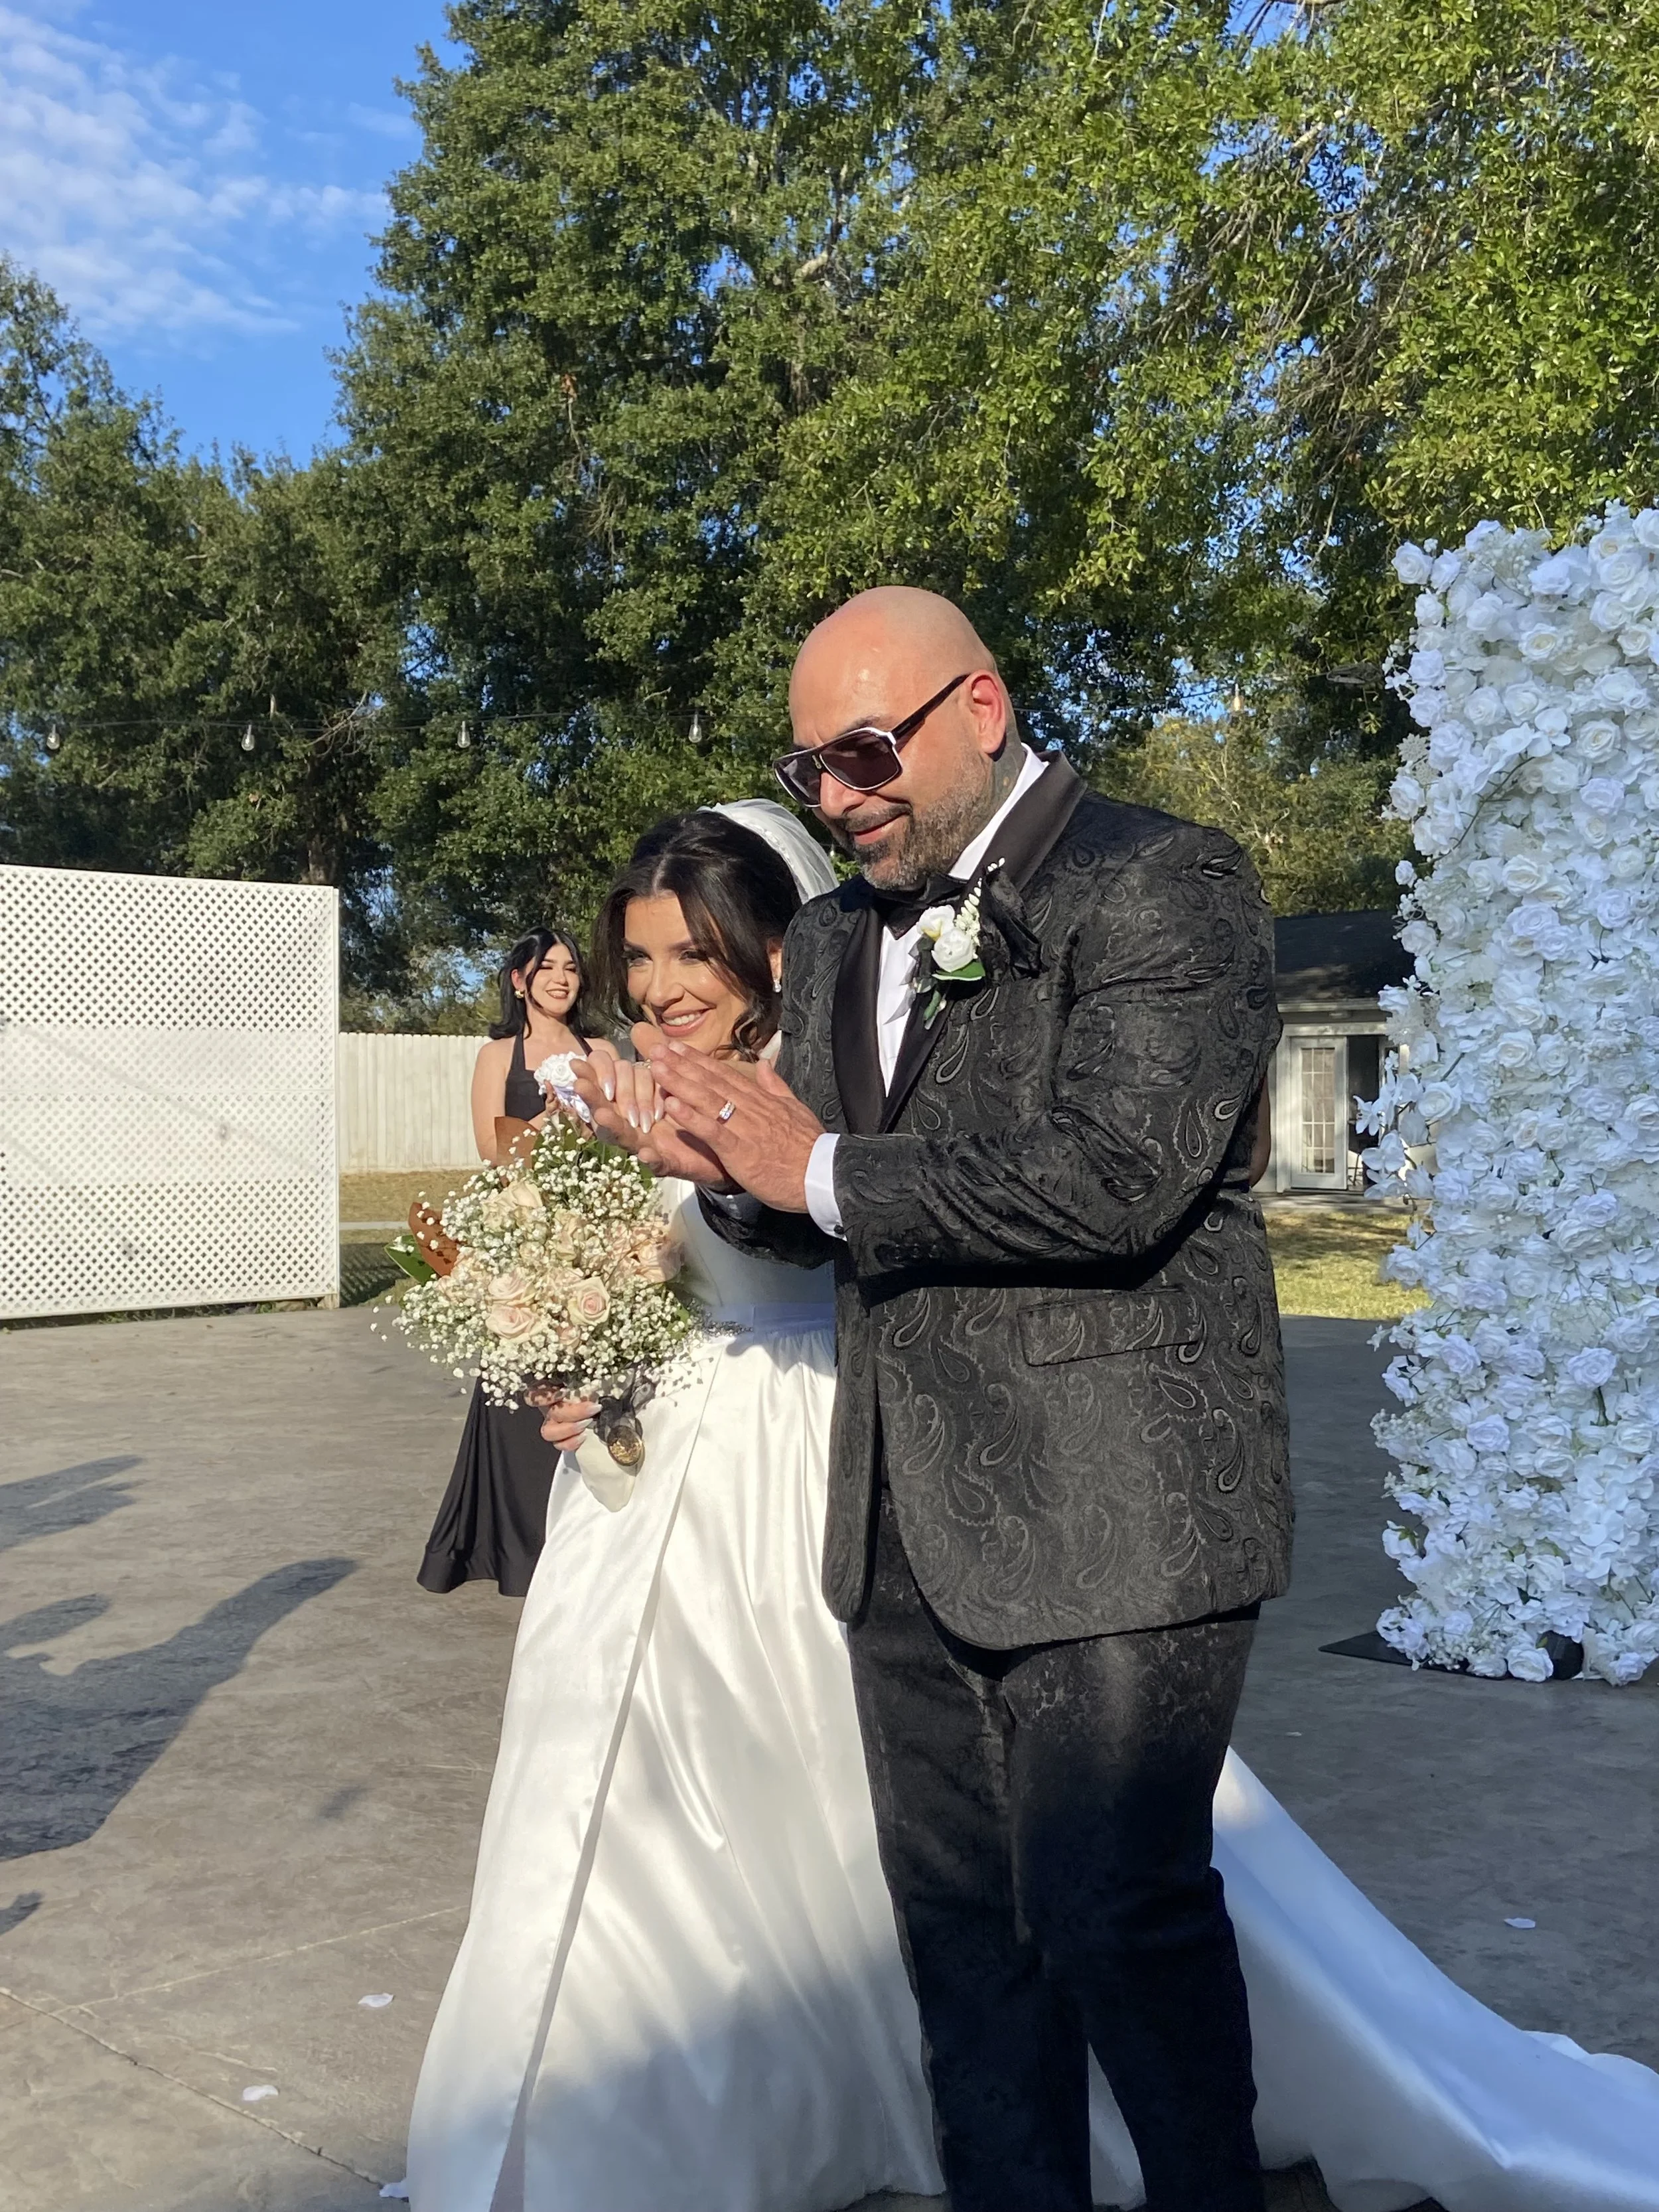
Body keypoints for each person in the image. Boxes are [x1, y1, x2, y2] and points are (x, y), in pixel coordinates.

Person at [571, 587, 1659, 2212]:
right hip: (900, 1526)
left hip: (1123, 1514)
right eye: (810, 771)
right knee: (965, 1955)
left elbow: (1121, 1176)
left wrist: (816, 1165)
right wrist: (720, 1174)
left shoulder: (1163, 880)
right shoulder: (848, 939)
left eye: (865, 752)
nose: (840, 795)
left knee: (1113, 1919)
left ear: (981, 710)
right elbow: (805, 1198)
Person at [404, 809, 942, 2212]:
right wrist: (580, 1357)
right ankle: (593, 2121)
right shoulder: (605, 1087)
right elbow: (624, 1263)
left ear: (773, 939)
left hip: (798, 1440)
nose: (655, 983)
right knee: (590, 1757)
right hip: (641, 1467)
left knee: (792, 1764)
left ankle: (826, 2091)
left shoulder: (835, 1073)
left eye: (686, 949)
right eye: (636, 955)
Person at [417, 930, 615, 1599]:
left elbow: (619, 1142)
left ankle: (591, 1537)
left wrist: (587, 1123)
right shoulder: (496, 1056)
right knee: (522, 1387)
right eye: (546, 968)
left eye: (570, 968)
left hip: (593, 1233)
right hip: (520, 1231)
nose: (561, 978)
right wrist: (548, 1121)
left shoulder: (604, 1052)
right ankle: (521, 1544)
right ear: (518, 980)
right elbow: (490, 1151)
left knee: (590, 1388)